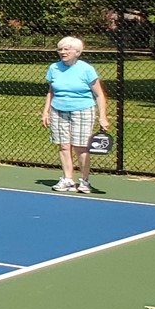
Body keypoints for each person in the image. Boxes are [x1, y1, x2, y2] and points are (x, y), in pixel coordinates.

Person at [43, 35, 110, 194]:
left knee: (80, 147)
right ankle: (67, 180)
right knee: (64, 146)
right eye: (60, 49)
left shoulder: (86, 69)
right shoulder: (54, 68)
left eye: (67, 49)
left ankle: (84, 181)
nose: (62, 52)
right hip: (58, 110)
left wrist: (103, 116)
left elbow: (99, 94)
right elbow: (51, 92)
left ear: (77, 52)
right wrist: (45, 111)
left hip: (83, 110)